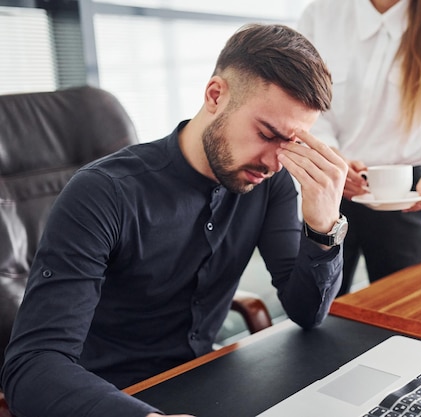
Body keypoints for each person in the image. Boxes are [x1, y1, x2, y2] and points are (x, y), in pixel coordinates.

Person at [1, 23, 348, 417]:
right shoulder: (102, 193)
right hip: (106, 398)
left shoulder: (270, 182)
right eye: (267, 133)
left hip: (207, 380)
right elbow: (32, 365)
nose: (274, 162)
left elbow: (306, 312)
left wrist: (323, 226)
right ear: (216, 95)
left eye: (292, 143)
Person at [298, 0, 421, 294]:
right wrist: (333, 157)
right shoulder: (320, 15)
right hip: (328, 190)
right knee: (317, 309)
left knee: (411, 316)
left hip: (403, 200)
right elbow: (303, 107)